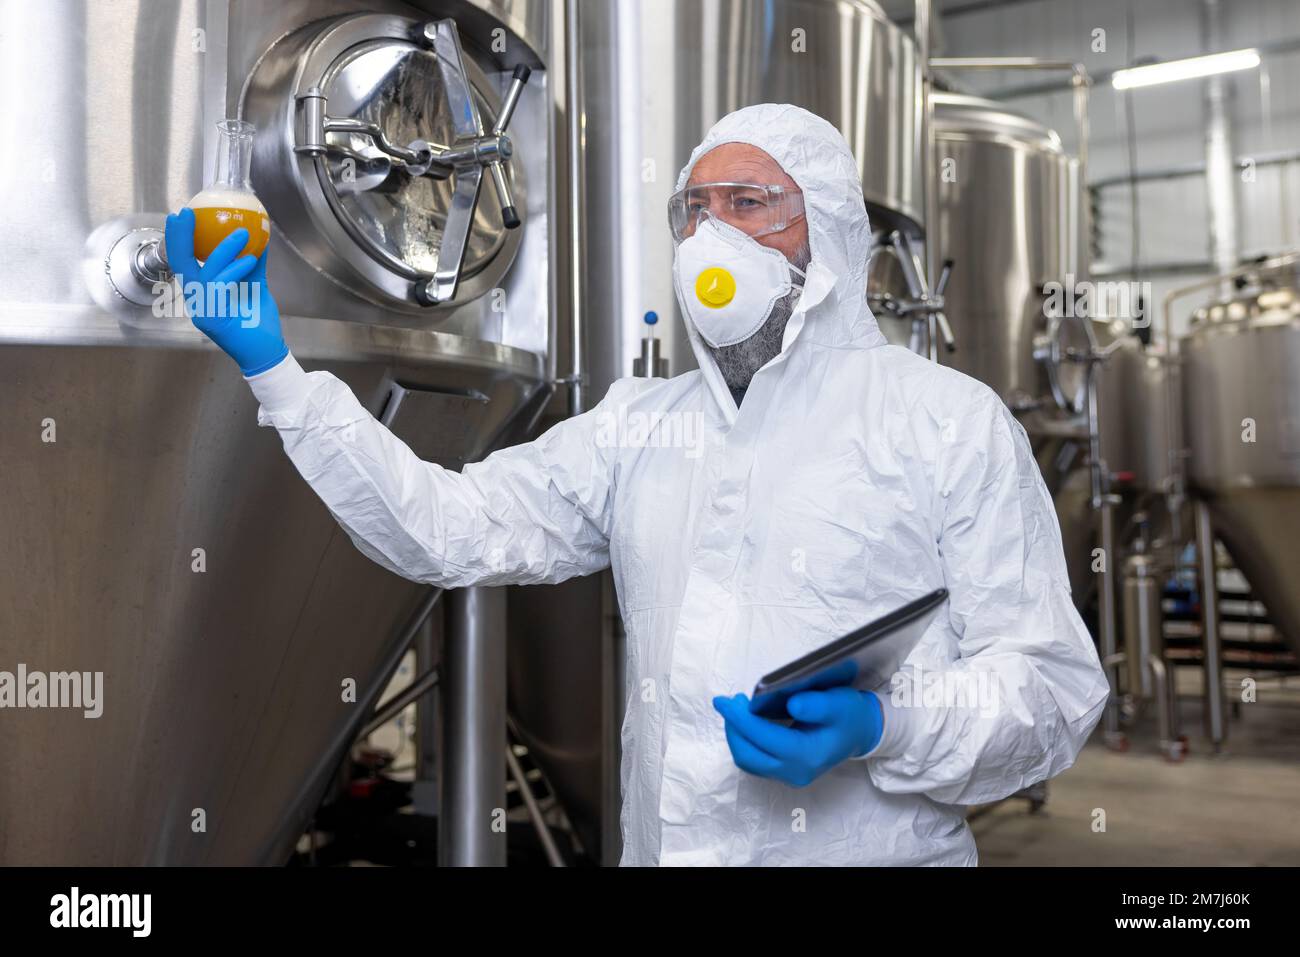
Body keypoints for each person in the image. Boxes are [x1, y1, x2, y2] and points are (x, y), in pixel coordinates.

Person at [166, 103, 1109, 866]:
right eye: (693, 210)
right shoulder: (640, 425)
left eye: (747, 201)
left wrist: (884, 725)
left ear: (825, 234)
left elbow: (1053, 692)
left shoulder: (945, 420)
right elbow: (446, 529)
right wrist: (275, 369)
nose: (710, 234)